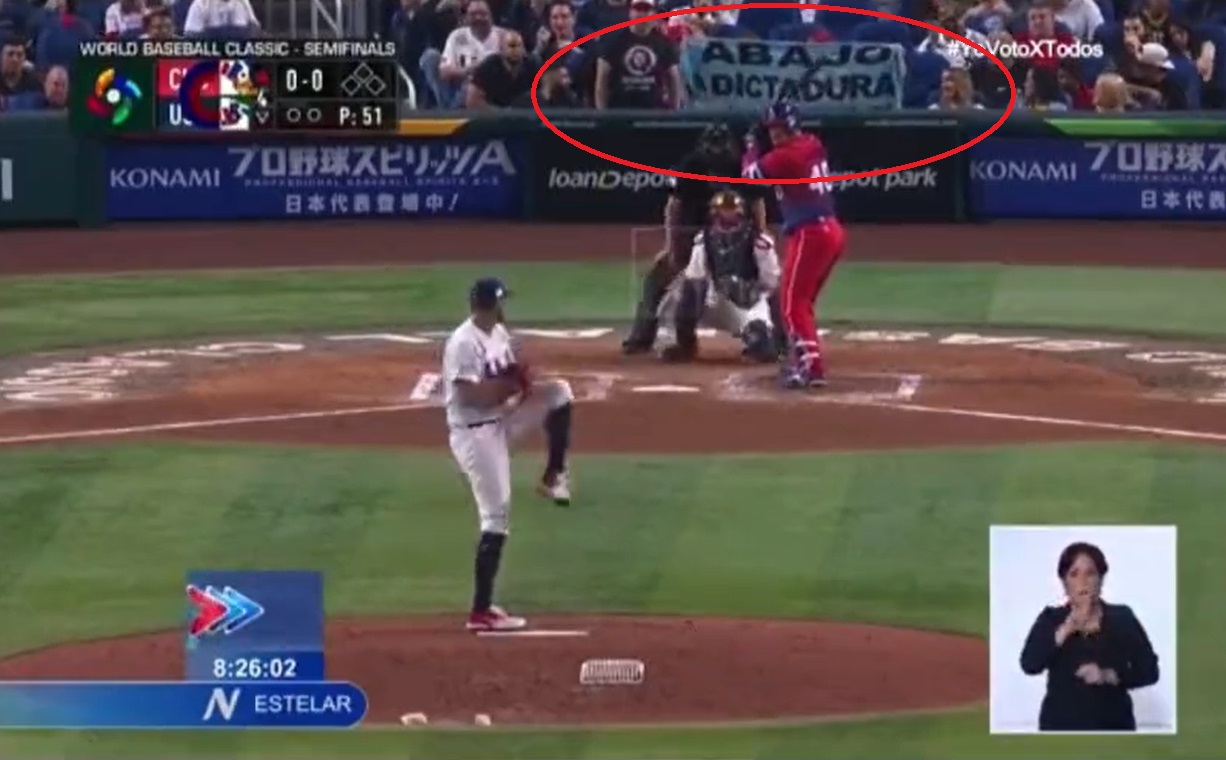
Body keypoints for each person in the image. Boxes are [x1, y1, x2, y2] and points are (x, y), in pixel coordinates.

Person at [442, 277, 574, 631]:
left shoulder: (498, 333)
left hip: (502, 419)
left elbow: (511, 371)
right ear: (491, 305)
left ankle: (554, 476)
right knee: (496, 516)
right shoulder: (463, 343)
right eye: (502, 302)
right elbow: (470, 396)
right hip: (476, 435)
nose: (505, 309)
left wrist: (523, 381)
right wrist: (512, 386)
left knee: (558, 393)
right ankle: (480, 611)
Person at [621, 122, 769, 355]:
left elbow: (757, 202)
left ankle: (769, 335)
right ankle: (645, 335)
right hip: (694, 231)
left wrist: (760, 237)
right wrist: (673, 244)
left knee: (754, 285)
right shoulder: (692, 165)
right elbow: (674, 206)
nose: (717, 153)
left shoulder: (742, 167)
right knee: (662, 277)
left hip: (738, 238)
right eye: (714, 146)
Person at [742, 98, 846, 389]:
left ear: (791, 126)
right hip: (830, 230)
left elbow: (750, 177)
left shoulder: (785, 157)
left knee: (792, 305)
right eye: (772, 129)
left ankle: (812, 368)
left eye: (779, 128)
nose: (775, 134)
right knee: (802, 303)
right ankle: (804, 361)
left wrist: (751, 147)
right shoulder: (812, 143)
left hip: (811, 233)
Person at [1019, 541, 1160, 731]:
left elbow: (1150, 671)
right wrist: (1067, 628)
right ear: (1064, 583)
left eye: (1090, 573)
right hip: (1060, 727)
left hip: (1113, 727)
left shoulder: (1122, 617)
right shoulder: (1051, 619)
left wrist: (1108, 675)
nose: (1083, 581)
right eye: (1074, 574)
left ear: (1101, 580)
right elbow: (1029, 664)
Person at [659, 191, 785, 364]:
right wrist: (699, 297)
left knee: (763, 349)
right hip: (716, 301)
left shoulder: (759, 242)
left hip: (748, 303)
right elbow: (695, 277)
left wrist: (748, 291)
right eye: (723, 211)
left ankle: (774, 340)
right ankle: (685, 344)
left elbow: (771, 283)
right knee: (685, 290)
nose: (727, 216)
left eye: (731, 210)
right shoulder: (704, 240)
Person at [593, 0, 681, 110]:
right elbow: (602, 80)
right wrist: (602, 113)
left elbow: (673, 78)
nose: (641, 14)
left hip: (654, 111)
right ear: (630, 12)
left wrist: (674, 110)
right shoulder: (613, 41)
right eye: (638, 9)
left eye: (646, 10)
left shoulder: (664, 43)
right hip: (620, 111)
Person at [466, 30, 536, 107]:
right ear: (501, 49)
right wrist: (501, 113)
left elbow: (542, 94)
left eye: (519, 46)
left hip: (524, 111)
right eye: (511, 46)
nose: (516, 50)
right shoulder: (488, 66)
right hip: (494, 111)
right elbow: (472, 100)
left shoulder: (532, 65)